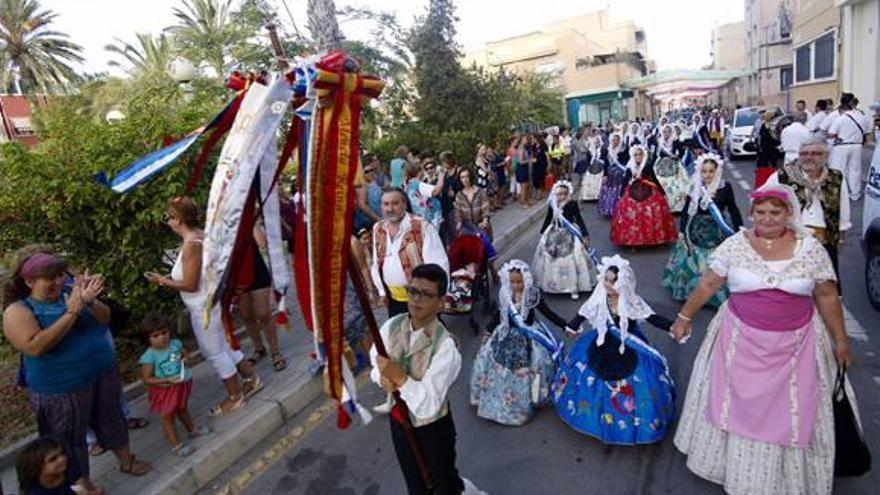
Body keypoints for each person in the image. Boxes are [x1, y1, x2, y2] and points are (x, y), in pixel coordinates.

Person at [671, 183, 856, 495]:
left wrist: (840, 341)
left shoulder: (811, 249)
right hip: (738, 342)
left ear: (788, 214)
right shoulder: (734, 246)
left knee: (792, 411)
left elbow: (827, 296)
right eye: (761, 212)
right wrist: (684, 317)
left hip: (799, 344)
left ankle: (785, 480)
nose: (768, 218)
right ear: (751, 213)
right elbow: (708, 284)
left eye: (775, 212)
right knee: (738, 406)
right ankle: (739, 473)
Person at [3, 248, 151, 495]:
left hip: (101, 373)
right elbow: (35, 346)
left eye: (61, 275)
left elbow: (105, 319)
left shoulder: (71, 292)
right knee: (68, 440)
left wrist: (90, 301)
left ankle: (127, 461)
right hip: (61, 389)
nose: (59, 281)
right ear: (29, 282)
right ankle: (84, 485)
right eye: (50, 278)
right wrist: (72, 311)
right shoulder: (18, 311)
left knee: (112, 419)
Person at [370, 264, 485, 495]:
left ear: (441, 302)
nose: (415, 299)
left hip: (432, 429)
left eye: (426, 294)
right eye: (413, 291)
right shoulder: (392, 326)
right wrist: (381, 379)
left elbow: (430, 403)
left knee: (444, 484)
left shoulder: (446, 346)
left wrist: (400, 378)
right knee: (415, 483)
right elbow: (377, 363)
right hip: (399, 422)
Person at [146, 197, 260, 417]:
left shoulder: (192, 245)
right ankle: (250, 378)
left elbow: (190, 284)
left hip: (203, 308)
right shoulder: (199, 235)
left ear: (178, 219)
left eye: (168, 217)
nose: (167, 222)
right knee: (223, 347)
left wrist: (162, 280)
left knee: (215, 353)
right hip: (209, 303)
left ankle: (235, 397)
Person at [553, 256, 676, 445]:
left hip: (629, 346)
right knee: (595, 380)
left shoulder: (632, 302)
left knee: (638, 381)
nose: (608, 285)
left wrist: (673, 327)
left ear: (623, 283)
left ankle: (633, 424)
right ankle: (598, 419)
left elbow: (652, 318)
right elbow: (584, 313)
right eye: (607, 280)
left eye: (613, 281)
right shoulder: (600, 299)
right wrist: (572, 325)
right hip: (602, 344)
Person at [469, 259, 566, 426]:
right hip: (506, 334)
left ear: (526, 280)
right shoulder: (506, 295)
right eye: (512, 282)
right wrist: (488, 331)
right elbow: (499, 316)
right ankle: (497, 401)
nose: (515, 285)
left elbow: (547, 312)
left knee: (534, 367)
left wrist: (565, 325)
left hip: (528, 336)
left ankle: (528, 399)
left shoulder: (532, 295)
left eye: (519, 282)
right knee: (498, 369)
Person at [662, 153, 743, 306]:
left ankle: (713, 294)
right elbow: (687, 210)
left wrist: (739, 231)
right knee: (693, 259)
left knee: (716, 261)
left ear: (717, 171)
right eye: (704, 171)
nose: (707, 175)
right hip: (695, 228)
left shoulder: (725, 187)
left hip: (717, 230)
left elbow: (733, 210)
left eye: (711, 171)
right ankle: (693, 291)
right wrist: (682, 231)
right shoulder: (695, 187)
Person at [768, 136, 850, 286]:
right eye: (804, 153)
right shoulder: (782, 177)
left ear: (826, 156)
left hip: (825, 239)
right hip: (791, 241)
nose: (809, 157)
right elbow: (761, 201)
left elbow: (843, 208)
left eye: (815, 153)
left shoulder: (835, 177)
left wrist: (841, 237)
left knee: (826, 285)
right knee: (793, 285)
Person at [138, 311, 209, 457]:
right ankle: (176, 445)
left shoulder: (175, 344)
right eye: (155, 336)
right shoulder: (149, 356)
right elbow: (147, 378)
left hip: (181, 383)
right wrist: (165, 381)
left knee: (183, 408)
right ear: (148, 339)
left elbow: (184, 353)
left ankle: (192, 429)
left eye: (164, 333)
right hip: (165, 390)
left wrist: (186, 359)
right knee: (168, 416)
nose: (162, 338)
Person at [371, 188, 450, 318]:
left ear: (404, 204)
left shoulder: (422, 227)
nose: (390, 209)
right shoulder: (378, 229)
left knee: (428, 335)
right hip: (394, 300)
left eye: (395, 203)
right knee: (402, 335)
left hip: (421, 298)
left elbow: (439, 265)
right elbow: (376, 261)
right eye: (386, 204)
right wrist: (382, 291)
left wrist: (439, 296)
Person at [532, 181, 596, 299]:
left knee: (573, 259)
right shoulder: (552, 204)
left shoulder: (572, 204)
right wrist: (542, 232)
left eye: (564, 194)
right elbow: (548, 219)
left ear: (568, 194)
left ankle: (573, 287)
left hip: (570, 233)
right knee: (550, 258)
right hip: (554, 232)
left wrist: (585, 234)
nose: (562, 197)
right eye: (559, 194)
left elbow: (579, 219)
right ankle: (552, 284)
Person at [610, 145, 677, 247]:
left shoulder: (648, 166)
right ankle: (632, 240)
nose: (638, 157)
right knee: (631, 214)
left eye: (640, 154)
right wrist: (621, 195)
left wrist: (663, 193)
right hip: (632, 190)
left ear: (643, 155)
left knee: (653, 211)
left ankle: (652, 238)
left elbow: (654, 179)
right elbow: (625, 181)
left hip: (648, 189)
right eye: (636, 155)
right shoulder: (630, 167)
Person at [239, 224, 286, 372]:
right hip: (237, 275)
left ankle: (275, 351)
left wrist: (252, 221)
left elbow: (262, 243)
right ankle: (259, 348)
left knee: (263, 313)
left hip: (256, 269)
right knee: (246, 314)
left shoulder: (246, 217)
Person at [828, 93, 869, 201]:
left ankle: (838, 194)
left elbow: (831, 134)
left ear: (842, 105)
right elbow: (867, 132)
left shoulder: (840, 118)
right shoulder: (862, 116)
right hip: (857, 146)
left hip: (842, 146)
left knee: (838, 169)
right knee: (855, 170)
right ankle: (855, 194)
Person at [454, 167, 496, 262]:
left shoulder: (480, 192)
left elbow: (485, 208)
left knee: (485, 245)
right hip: (467, 227)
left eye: (466, 177)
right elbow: (458, 212)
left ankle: (493, 270)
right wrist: (459, 223)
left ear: (471, 177)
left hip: (480, 224)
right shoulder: (459, 195)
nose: (465, 180)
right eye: (462, 177)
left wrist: (485, 221)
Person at [653, 124, 691, 213]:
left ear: (671, 132)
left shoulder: (676, 141)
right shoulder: (660, 142)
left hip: (674, 165)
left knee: (675, 184)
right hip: (661, 165)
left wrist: (676, 156)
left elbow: (681, 154)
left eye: (668, 131)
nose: (666, 133)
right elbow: (656, 155)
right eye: (664, 131)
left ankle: (675, 206)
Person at [597, 133, 629, 217]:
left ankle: (619, 210)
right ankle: (609, 209)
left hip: (619, 174)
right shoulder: (608, 150)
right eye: (614, 140)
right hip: (610, 173)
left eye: (617, 140)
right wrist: (605, 175)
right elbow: (606, 163)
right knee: (609, 191)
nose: (615, 141)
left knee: (618, 191)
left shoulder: (623, 150)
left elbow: (625, 163)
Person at [579, 135, 606, 201]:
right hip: (590, 168)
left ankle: (596, 196)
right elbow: (587, 161)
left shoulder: (603, 150)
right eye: (595, 142)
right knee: (588, 181)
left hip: (600, 168)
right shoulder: (590, 151)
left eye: (598, 142)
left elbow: (605, 161)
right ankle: (587, 197)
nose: (597, 143)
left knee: (598, 182)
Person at [515, 135, 534, 207]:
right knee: (524, 186)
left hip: (523, 168)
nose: (527, 141)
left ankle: (526, 201)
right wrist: (530, 160)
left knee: (525, 185)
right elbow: (521, 161)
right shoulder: (521, 149)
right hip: (522, 168)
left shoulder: (524, 148)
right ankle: (524, 202)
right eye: (526, 139)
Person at [531, 134, 550, 201]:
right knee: (535, 179)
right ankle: (538, 192)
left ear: (537, 138)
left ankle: (540, 193)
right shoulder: (533, 146)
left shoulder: (543, 146)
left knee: (541, 178)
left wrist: (548, 164)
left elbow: (547, 155)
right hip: (535, 164)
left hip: (542, 164)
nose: (532, 140)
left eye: (533, 138)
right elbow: (532, 155)